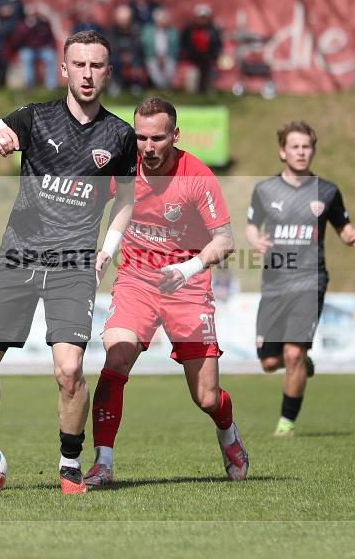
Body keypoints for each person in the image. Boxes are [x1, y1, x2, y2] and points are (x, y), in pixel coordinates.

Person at [0, 30, 137, 495]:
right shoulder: (32, 117)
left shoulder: (120, 135)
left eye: (96, 65)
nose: (87, 74)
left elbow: (126, 199)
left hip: (73, 265)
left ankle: (69, 468)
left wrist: (107, 249)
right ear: (64, 68)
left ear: (108, 72)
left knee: (69, 370)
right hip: (17, 257)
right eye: (79, 64)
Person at [84, 97, 248, 488]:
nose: (147, 147)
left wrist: (187, 269)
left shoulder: (197, 175)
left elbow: (225, 240)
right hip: (136, 280)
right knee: (116, 358)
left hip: (187, 287)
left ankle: (228, 434)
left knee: (206, 397)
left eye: (157, 138)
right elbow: (86, 203)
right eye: (140, 137)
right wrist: (100, 252)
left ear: (175, 135)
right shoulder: (125, 165)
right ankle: (103, 462)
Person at [246, 121, 355, 437]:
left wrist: (351, 235)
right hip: (275, 283)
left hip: (310, 281)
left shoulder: (327, 191)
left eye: (306, 146)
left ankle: (286, 425)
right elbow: (252, 225)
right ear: (282, 151)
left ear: (313, 150)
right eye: (295, 146)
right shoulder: (265, 190)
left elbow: (343, 227)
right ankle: (302, 364)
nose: (301, 152)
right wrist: (255, 240)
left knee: (293, 352)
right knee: (270, 362)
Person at [10, 4, 57, 90]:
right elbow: (16, 41)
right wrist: (28, 27)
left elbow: (50, 37)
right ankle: (29, 85)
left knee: (50, 56)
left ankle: (51, 86)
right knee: (26, 57)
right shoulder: (22, 25)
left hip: (42, 49)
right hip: (28, 49)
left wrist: (53, 48)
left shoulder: (44, 24)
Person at [180, 4, 222, 94]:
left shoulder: (213, 30)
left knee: (207, 69)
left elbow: (217, 46)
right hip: (193, 58)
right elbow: (184, 44)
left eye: (204, 17)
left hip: (208, 58)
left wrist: (214, 57)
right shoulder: (189, 30)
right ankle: (198, 90)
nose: (202, 20)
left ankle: (204, 90)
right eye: (200, 17)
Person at [142, 8, 179, 90]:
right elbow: (146, 46)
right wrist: (157, 56)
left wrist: (164, 56)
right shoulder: (148, 31)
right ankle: (161, 87)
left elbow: (175, 47)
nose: (162, 21)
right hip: (152, 56)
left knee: (170, 66)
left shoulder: (172, 31)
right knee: (153, 66)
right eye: (160, 19)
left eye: (163, 19)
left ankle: (165, 86)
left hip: (168, 56)